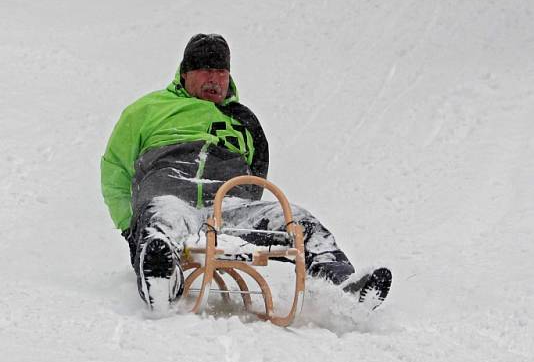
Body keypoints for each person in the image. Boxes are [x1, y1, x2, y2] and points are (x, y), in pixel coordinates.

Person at [101, 33, 392, 310]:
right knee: (161, 222)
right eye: (205, 70)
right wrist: (130, 225)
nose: (214, 79)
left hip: (229, 206)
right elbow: (115, 168)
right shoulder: (147, 110)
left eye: (221, 71)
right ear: (185, 73)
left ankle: (343, 287)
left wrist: (240, 205)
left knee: (298, 219)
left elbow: (257, 175)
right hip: (171, 196)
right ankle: (162, 278)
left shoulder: (243, 120)